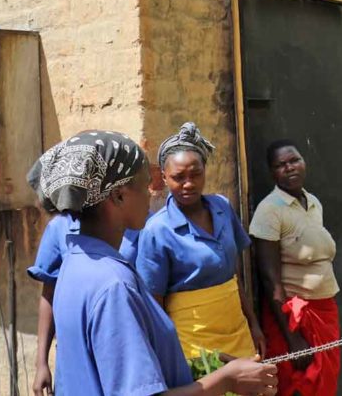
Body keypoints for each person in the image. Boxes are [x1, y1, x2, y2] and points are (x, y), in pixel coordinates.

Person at [30, 130, 277, 396]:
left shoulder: (76, 262)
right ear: (119, 196)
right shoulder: (113, 285)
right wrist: (226, 380)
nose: (151, 194)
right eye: (146, 184)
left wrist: (202, 369)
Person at [136, 122, 265, 360]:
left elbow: (233, 277)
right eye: (178, 177)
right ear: (164, 178)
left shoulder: (222, 208)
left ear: (205, 169)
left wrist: (253, 324)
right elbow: (155, 303)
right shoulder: (157, 230)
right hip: (193, 344)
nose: (188, 183)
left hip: (236, 330)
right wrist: (165, 356)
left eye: (196, 174)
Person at [26, 184, 145, 395]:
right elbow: (49, 294)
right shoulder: (59, 229)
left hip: (127, 342)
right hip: (79, 350)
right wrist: (41, 363)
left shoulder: (142, 223)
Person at [250, 140, 340, 396]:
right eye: (281, 165)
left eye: (294, 160)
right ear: (272, 172)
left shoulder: (312, 202)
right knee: (298, 385)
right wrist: (293, 338)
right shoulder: (270, 211)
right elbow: (270, 280)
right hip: (294, 319)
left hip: (324, 310)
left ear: (304, 162)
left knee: (325, 383)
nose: (289, 168)